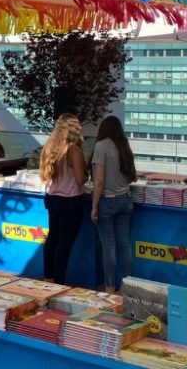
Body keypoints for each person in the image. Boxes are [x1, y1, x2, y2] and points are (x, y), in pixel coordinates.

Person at [90, 115, 138, 293]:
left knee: (109, 246)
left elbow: (99, 180)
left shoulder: (101, 146)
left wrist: (94, 205)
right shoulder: (124, 146)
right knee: (124, 244)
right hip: (125, 199)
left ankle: (109, 289)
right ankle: (127, 288)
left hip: (107, 201)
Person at [39, 114, 88, 285]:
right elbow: (80, 180)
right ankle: (59, 282)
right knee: (64, 244)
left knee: (52, 239)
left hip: (52, 198)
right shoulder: (73, 149)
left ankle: (49, 277)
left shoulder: (49, 147)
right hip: (70, 201)